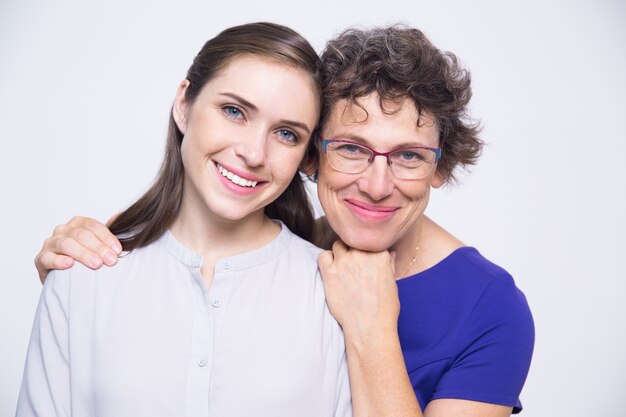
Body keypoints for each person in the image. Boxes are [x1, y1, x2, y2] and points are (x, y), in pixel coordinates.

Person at [34, 25, 534, 416]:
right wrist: (84, 288)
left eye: (408, 156)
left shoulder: (492, 309)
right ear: (313, 159)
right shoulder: (293, 251)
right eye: (352, 149)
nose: (378, 185)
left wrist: (374, 328)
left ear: (440, 167)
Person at [17, 22, 352, 417]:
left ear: (306, 155)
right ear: (184, 104)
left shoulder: (332, 292)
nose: (254, 153)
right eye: (234, 111)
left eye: (286, 134)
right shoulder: (83, 273)